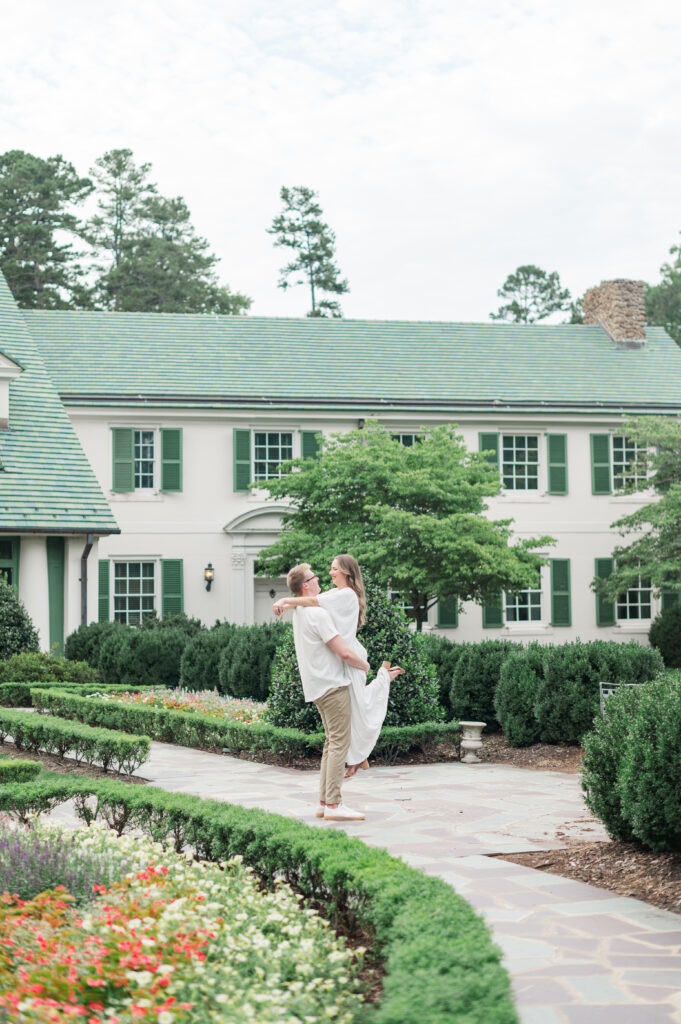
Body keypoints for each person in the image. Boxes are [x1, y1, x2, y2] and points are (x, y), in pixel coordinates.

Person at [274, 554, 403, 780]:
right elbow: (310, 599)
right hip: (349, 660)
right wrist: (290, 602)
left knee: (359, 707)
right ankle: (357, 758)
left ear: (346, 572)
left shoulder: (347, 595)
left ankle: (357, 757)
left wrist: (286, 601)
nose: (330, 573)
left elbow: (313, 601)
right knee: (356, 708)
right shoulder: (335, 593)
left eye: (334, 569)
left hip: (351, 659)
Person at [282, 562, 370, 821]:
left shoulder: (301, 612)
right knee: (339, 743)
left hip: (317, 686)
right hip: (331, 684)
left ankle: (323, 802)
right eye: (314, 576)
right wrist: (363, 664)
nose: (320, 578)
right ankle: (334, 804)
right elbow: (342, 651)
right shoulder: (318, 614)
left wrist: (286, 602)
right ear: (306, 585)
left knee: (332, 742)